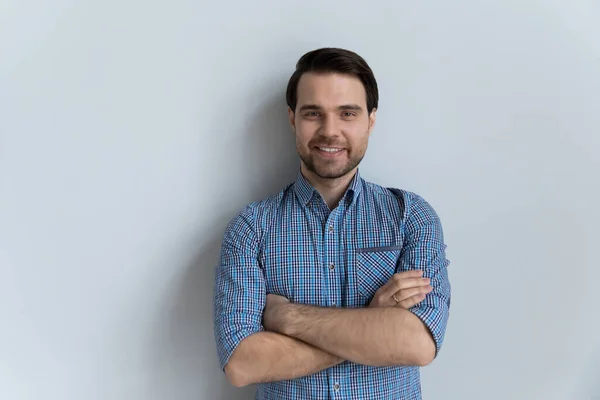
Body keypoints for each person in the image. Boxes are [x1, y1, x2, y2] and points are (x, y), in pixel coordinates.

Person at [213, 47, 451, 399]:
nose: (330, 131)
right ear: (293, 118)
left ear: (370, 120)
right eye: (313, 113)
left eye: (347, 114)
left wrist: (288, 318)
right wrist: (372, 323)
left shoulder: (411, 217)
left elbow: (417, 343)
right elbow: (242, 364)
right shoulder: (251, 229)